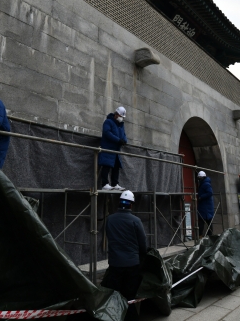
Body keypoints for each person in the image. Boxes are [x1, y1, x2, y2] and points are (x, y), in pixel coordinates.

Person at [102, 190, 147, 321]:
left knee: (116, 295)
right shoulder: (135, 221)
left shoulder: (110, 219)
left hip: (115, 264)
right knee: (130, 296)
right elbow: (142, 243)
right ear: (131, 205)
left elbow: (109, 237)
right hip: (132, 264)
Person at [99, 107, 128, 191]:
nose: (121, 118)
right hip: (108, 148)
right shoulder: (108, 122)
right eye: (120, 115)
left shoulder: (121, 125)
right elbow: (107, 133)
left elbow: (124, 135)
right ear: (116, 114)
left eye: (122, 116)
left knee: (116, 166)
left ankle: (115, 184)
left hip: (116, 150)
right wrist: (118, 140)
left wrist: (124, 141)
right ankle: (104, 184)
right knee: (106, 165)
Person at [196, 171, 214, 237]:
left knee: (205, 222)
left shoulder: (206, 184)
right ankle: (206, 236)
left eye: (199, 178)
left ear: (202, 178)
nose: (198, 179)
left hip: (206, 207)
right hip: (204, 207)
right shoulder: (204, 183)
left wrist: (201, 197)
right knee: (205, 222)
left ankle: (206, 236)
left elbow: (210, 193)